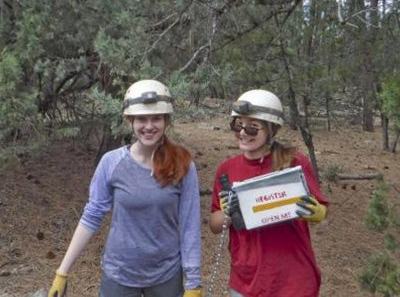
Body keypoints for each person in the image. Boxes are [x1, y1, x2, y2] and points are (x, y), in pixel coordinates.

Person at [48, 79, 203, 297]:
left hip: (166, 275)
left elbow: (190, 226)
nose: (149, 126)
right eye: (141, 119)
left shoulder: (183, 164)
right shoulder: (111, 163)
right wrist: (62, 272)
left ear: (166, 120)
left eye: (156, 118)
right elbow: (92, 216)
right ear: (130, 120)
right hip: (119, 275)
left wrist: (193, 282)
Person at [209, 89, 329, 297]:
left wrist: (317, 212)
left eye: (253, 128)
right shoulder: (226, 170)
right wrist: (228, 212)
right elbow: (214, 225)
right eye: (238, 125)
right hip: (246, 281)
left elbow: (323, 213)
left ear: (271, 130)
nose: (243, 133)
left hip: (293, 280)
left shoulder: (294, 162)